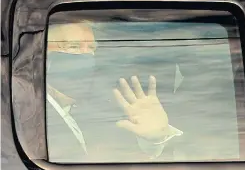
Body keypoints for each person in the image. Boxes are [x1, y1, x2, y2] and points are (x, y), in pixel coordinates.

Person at [46, 21, 183, 162]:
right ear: (42, 53)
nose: (86, 56)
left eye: (91, 48)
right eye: (73, 47)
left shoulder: (90, 109)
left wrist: (155, 138)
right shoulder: (34, 114)